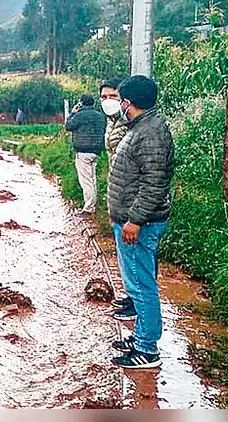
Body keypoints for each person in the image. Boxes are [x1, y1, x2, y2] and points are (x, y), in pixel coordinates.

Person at [107, 75, 175, 370]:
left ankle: (147, 349)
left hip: (139, 224)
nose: (118, 105)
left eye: (120, 100)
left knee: (141, 286)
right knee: (137, 283)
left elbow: (154, 184)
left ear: (128, 103)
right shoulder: (142, 127)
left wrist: (134, 221)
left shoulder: (151, 133)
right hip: (131, 220)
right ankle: (140, 338)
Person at [100, 77, 136, 319]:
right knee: (124, 255)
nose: (107, 101)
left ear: (124, 100)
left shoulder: (131, 123)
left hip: (131, 195)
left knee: (134, 255)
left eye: (113, 97)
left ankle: (137, 305)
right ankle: (131, 297)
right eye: (103, 97)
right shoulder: (112, 121)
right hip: (118, 190)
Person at [64, 94, 106, 214]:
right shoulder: (100, 116)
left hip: (83, 151)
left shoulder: (79, 116)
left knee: (86, 181)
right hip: (96, 151)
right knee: (92, 179)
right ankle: (93, 204)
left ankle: (89, 208)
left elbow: (68, 126)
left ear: (81, 103)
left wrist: (72, 113)